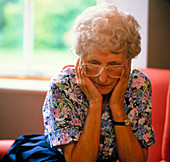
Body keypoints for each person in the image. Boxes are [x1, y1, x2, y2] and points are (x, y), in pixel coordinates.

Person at [42, 3, 155, 162]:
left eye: (114, 64)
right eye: (94, 63)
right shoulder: (62, 86)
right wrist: (95, 103)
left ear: (128, 61)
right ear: (81, 58)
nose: (102, 78)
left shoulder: (138, 84)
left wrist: (117, 106)